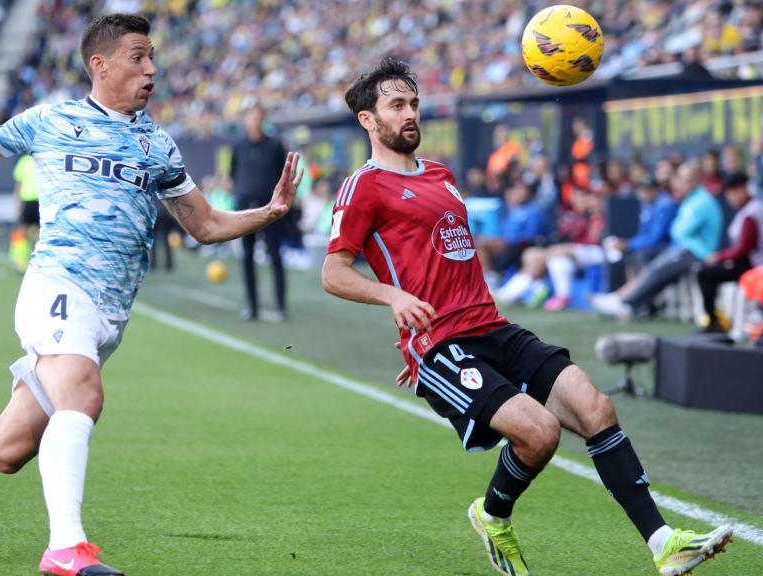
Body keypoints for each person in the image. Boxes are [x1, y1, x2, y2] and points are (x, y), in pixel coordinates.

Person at [0, 14, 302, 576]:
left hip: (107, 315)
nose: (151, 67)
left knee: (4, 452)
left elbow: (204, 225)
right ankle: (66, 549)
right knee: (83, 397)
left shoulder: (157, 143)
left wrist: (268, 213)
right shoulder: (52, 120)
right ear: (99, 64)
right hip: (57, 286)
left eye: (152, 56)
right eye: (138, 56)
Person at [321, 57, 731, 576]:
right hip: (443, 345)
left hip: (491, 325)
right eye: (396, 105)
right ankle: (494, 516)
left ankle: (664, 544)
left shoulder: (442, 176)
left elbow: (444, 259)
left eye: (414, 105)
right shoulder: (363, 186)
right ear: (368, 120)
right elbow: (334, 273)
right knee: (539, 433)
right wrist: (398, 306)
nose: (410, 115)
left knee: (596, 407)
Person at [592, 162, 723, 320]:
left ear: (696, 180)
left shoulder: (701, 201)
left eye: (685, 179)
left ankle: (628, 303)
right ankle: (621, 299)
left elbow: (679, 231)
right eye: (681, 179)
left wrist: (628, 244)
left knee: (655, 267)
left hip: (698, 252)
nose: (680, 183)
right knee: (652, 266)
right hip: (686, 249)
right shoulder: (692, 199)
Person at [230, 103, 289, 321]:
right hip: (245, 210)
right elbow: (233, 174)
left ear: (263, 119)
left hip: (271, 210)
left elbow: (284, 176)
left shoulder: (274, 145)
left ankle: (281, 306)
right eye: (251, 116)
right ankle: (252, 307)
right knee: (247, 257)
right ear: (245, 120)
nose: (254, 120)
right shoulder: (238, 146)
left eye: (258, 116)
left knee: (275, 256)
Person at [696, 172, 763, 332]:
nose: (731, 197)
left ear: (744, 189)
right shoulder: (748, 209)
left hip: (755, 266)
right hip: (750, 262)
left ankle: (713, 322)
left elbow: (744, 249)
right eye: (729, 194)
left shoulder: (751, 212)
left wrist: (719, 257)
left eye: (734, 192)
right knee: (705, 272)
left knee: (705, 274)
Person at [11, 153, 40, 273]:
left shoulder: (27, 160)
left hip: (37, 199)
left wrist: (17, 204)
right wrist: (17, 204)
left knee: (27, 231)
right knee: (25, 232)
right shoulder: (26, 160)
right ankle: (21, 261)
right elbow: (19, 183)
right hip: (31, 199)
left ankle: (24, 261)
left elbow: (18, 184)